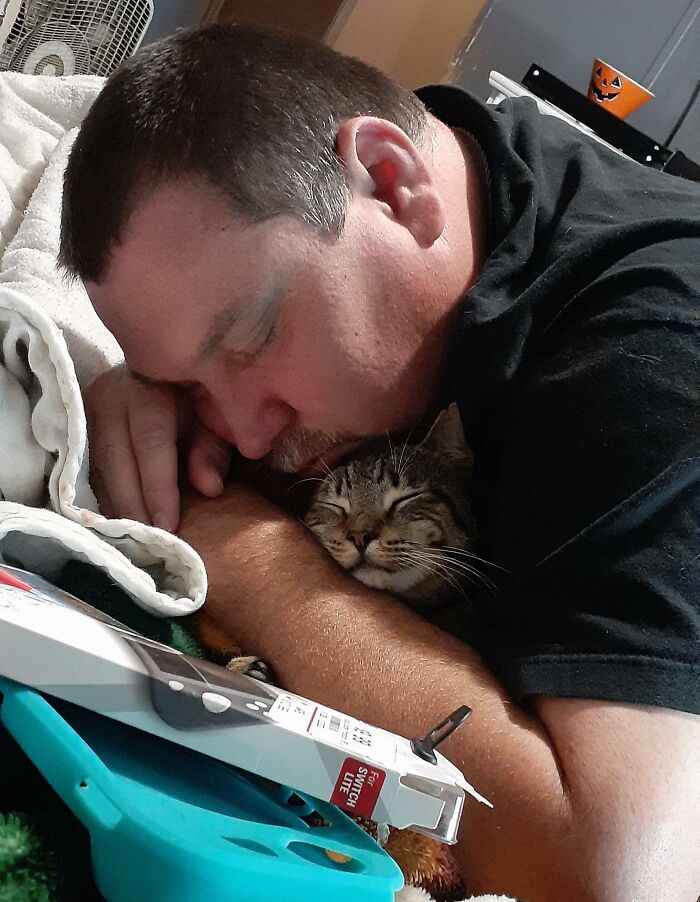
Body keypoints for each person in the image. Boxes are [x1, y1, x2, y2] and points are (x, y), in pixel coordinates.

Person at [59, 24, 699, 901]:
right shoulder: (425, 177)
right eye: (190, 386)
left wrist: (234, 540)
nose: (245, 437)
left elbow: (609, 876)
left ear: (395, 183)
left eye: (252, 339)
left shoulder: (653, 346)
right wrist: (140, 389)